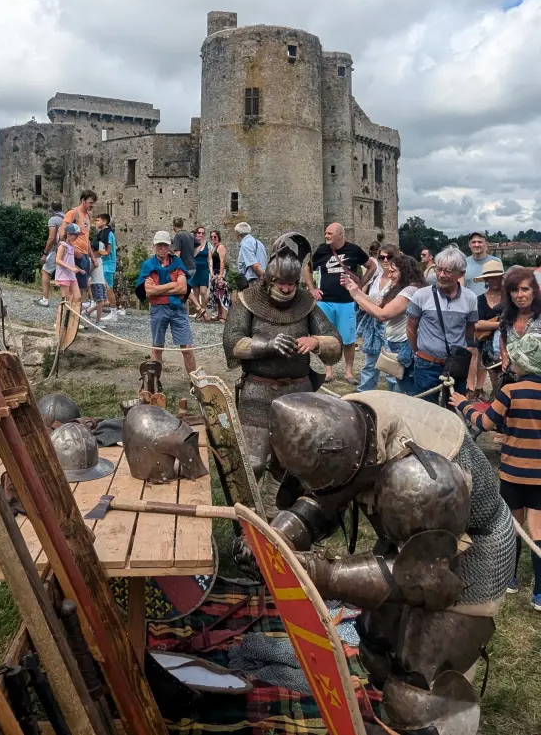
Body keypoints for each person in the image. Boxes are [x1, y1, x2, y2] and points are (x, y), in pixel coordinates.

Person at [246, 389, 515, 733]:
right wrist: (273, 541)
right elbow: (325, 496)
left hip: (469, 554)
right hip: (413, 543)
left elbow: (430, 582)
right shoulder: (346, 427)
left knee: (421, 688)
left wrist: (324, 574)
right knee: (377, 648)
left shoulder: (420, 477)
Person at [223, 232, 341, 484]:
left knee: (296, 465)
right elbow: (233, 343)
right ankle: (247, 517)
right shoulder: (248, 301)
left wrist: (316, 341)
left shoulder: (306, 303)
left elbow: (335, 344)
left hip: (299, 393)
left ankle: (284, 514)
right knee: (251, 464)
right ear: (269, 280)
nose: (287, 289)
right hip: (258, 393)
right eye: (282, 284)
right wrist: (267, 345)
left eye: (292, 283)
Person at [450, 333, 541, 610]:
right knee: (538, 531)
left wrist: (463, 405)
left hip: (513, 472)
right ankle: (539, 593)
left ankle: (510, 579)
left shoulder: (510, 391)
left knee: (513, 526)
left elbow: (486, 423)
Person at [303, 222, 376, 386]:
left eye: (330, 233)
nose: (326, 236)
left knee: (349, 339)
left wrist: (362, 284)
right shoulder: (322, 250)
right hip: (325, 301)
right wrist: (312, 288)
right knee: (328, 338)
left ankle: (349, 372)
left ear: (340, 235)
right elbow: (307, 269)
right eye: (326, 233)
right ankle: (328, 371)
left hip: (346, 302)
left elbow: (372, 266)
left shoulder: (354, 250)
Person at [343, 253, 425, 394]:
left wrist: (356, 296)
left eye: (394, 271)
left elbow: (383, 314)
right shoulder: (397, 287)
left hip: (403, 345)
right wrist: (355, 290)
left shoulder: (410, 291)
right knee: (393, 380)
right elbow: (376, 304)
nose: (390, 275)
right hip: (395, 341)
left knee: (401, 387)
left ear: (405, 272)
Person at [406, 245, 478, 402]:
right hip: (426, 364)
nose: (441, 275)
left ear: (461, 273)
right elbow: (411, 329)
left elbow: (470, 330)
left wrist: (467, 354)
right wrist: (417, 352)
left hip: (456, 365)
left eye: (448, 271)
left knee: (455, 410)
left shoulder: (470, 298)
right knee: (425, 412)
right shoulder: (421, 295)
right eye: (439, 269)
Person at [135, 231, 196, 375]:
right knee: (157, 348)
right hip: (158, 309)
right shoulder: (148, 265)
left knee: (187, 347)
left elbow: (183, 288)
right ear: (154, 246)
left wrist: (159, 289)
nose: (162, 248)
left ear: (169, 246)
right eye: (159, 245)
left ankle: (195, 383)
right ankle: (154, 384)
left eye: (165, 245)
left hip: (177, 309)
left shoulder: (177, 262)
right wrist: (172, 285)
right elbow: (149, 291)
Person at [464, 232, 503, 399]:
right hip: (475, 306)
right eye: (474, 242)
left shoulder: (496, 262)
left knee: (485, 355)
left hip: (493, 306)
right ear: (470, 244)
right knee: (473, 351)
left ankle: (480, 387)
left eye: (480, 241)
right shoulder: (465, 263)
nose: (477, 244)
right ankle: (470, 387)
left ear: (485, 243)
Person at [353, 243, 397, 392]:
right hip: (373, 325)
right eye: (381, 257)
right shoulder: (376, 278)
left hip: (391, 327)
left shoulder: (398, 280)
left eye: (389, 257)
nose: (385, 260)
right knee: (370, 364)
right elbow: (371, 300)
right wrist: (357, 294)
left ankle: (395, 397)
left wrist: (367, 302)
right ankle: (364, 395)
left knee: (391, 366)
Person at [58, 190, 98, 302]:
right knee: (71, 287)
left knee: (82, 287)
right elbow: (63, 231)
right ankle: (69, 313)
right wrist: (72, 249)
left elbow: (86, 239)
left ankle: (75, 312)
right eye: (90, 202)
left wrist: (93, 257)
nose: (92, 205)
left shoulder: (88, 216)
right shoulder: (73, 213)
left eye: (94, 203)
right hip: (74, 254)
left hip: (84, 255)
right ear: (83, 201)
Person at [473, 260, 505, 396]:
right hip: (486, 344)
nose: (494, 280)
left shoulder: (511, 297)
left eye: (496, 276)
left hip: (507, 343)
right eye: (490, 277)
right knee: (494, 376)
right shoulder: (479, 299)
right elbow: (476, 323)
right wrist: (500, 324)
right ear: (486, 279)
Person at [499, 266, 541, 368]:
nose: (520, 295)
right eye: (514, 290)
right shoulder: (506, 315)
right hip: (513, 376)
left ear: (534, 291)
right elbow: (502, 336)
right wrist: (504, 354)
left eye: (525, 289)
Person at [38, 201, 65, 307]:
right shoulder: (67, 218)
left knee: (45, 271)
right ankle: (67, 301)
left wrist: (45, 253)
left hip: (56, 250)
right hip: (68, 250)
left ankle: (45, 299)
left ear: (52, 209)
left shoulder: (53, 219)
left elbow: (51, 238)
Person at [54, 223, 84, 309]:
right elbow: (58, 260)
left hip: (71, 275)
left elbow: (70, 261)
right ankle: (61, 319)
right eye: (75, 235)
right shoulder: (63, 245)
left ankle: (70, 316)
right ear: (68, 234)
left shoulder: (71, 246)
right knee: (65, 299)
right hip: (64, 275)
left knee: (77, 296)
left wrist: (78, 269)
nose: (77, 237)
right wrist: (71, 268)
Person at [93, 213, 118, 313]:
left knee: (109, 288)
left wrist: (97, 253)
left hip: (108, 264)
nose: (96, 222)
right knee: (101, 285)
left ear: (105, 222)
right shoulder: (103, 233)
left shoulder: (108, 234)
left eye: (98, 220)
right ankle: (98, 305)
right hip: (105, 263)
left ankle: (113, 311)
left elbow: (108, 251)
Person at [82, 242, 108, 329]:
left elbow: (101, 272)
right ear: (93, 250)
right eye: (99, 253)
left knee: (103, 302)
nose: (100, 255)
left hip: (101, 282)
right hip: (95, 283)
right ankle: (98, 321)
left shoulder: (100, 259)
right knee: (100, 302)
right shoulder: (91, 260)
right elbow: (89, 272)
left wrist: (105, 283)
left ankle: (87, 312)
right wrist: (93, 266)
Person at [207, 229, 230, 321]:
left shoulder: (221, 247)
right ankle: (219, 314)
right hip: (215, 273)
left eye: (215, 236)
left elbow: (222, 261)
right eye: (211, 237)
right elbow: (211, 261)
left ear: (218, 237)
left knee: (223, 293)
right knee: (216, 294)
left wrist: (221, 274)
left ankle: (224, 316)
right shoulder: (213, 248)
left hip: (220, 272)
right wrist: (212, 273)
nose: (213, 238)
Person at [235, 222, 268, 286]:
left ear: (237, 233)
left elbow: (255, 265)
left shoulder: (246, 244)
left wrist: (264, 279)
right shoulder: (258, 242)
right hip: (260, 279)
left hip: (254, 282)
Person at [191, 226, 210, 319]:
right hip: (195, 270)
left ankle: (204, 310)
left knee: (203, 291)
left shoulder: (207, 244)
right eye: (199, 233)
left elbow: (209, 258)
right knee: (196, 293)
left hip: (204, 270)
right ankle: (199, 313)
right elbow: (190, 256)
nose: (201, 235)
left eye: (202, 233)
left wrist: (211, 269)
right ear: (196, 233)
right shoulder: (193, 244)